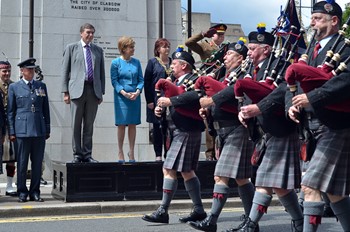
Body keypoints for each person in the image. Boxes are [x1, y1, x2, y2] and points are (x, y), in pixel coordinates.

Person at [287, 1, 350, 231]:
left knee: (310, 187)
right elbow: (292, 82)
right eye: (312, 18)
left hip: (335, 125)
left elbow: (346, 81)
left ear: (334, 21)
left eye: (317, 18)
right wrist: (291, 105)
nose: (312, 23)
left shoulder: (345, 47)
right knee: (333, 193)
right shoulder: (311, 51)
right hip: (312, 126)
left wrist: (312, 98)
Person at [236, 25, 303, 231]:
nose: (248, 52)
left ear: (266, 49)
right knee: (280, 187)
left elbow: (282, 90)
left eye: (252, 48)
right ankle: (300, 221)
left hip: (280, 127)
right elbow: (244, 92)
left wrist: (258, 107)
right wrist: (242, 111)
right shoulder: (250, 69)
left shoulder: (280, 65)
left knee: (264, 180)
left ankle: (251, 224)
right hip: (264, 132)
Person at [187, 41, 257, 232]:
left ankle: (212, 220)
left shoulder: (243, 74)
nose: (225, 57)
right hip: (223, 131)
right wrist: (207, 112)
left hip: (236, 128)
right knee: (242, 178)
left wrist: (211, 101)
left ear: (240, 58)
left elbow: (229, 93)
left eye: (230, 54)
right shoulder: (222, 75)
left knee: (220, 176)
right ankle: (252, 221)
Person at [142, 48, 206, 224]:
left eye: (174, 64)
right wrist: (159, 110)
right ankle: (199, 209)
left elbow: (196, 96)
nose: (171, 67)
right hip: (176, 129)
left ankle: (163, 210)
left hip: (186, 129)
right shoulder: (174, 81)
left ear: (184, 65)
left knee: (169, 169)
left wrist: (171, 101)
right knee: (186, 171)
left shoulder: (194, 80)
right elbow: (168, 102)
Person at [7, 58, 50, 203]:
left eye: (33, 69)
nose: (31, 72)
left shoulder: (41, 86)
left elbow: (46, 110)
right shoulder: (14, 87)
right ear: (22, 71)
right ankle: (22, 192)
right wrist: (12, 131)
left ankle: (35, 192)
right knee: (22, 163)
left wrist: (47, 129)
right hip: (22, 131)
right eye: (28, 69)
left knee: (37, 163)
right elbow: (11, 112)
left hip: (38, 129)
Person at [61, 23, 105, 163]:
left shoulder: (98, 50)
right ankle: (77, 154)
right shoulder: (71, 48)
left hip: (93, 91)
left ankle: (87, 154)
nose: (90, 35)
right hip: (76, 91)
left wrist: (101, 91)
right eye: (88, 32)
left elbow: (101, 73)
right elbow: (64, 71)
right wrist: (65, 92)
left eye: (92, 32)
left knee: (89, 125)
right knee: (76, 124)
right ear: (81, 33)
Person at [186, 23, 227, 162]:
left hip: (221, 82)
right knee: (208, 117)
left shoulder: (225, 49)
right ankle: (210, 153)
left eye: (223, 35)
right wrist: (203, 34)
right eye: (218, 34)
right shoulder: (205, 46)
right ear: (212, 34)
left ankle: (219, 150)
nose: (221, 37)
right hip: (208, 83)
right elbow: (189, 43)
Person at [111, 36, 144, 163]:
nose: (133, 49)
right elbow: (114, 81)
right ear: (123, 49)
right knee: (121, 124)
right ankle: (120, 151)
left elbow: (141, 79)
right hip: (121, 97)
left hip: (135, 96)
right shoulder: (115, 63)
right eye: (131, 47)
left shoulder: (137, 62)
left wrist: (137, 91)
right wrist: (124, 93)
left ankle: (131, 151)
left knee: (132, 124)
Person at [144, 38, 171, 161]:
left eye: (168, 46)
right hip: (156, 99)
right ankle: (158, 155)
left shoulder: (172, 62)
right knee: (157, 127)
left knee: (169, 127)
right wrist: (149, 100)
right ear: (158, 49)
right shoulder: (153, 62)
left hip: (170, 100)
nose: (167, 49)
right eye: (164, 46)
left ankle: (168, 154)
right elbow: (147, 81)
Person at [0, 60, 17, 196]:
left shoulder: (14, 86)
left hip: (11, 126)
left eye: (8, 71)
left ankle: (10, 186)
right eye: (4, 71)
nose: (7, 74)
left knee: (11, 158)